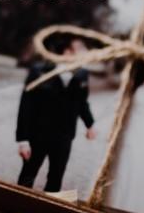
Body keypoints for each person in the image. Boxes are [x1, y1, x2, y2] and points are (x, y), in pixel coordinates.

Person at [15, 39, 97, 192]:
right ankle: (15, 207)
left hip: (64, 137)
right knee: (28, 175)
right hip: (38, 135)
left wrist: (90, 124)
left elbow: (82, 103)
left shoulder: (82, 74)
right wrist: (22, 140)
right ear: (67, 51)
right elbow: (26, 106)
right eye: (80, 48)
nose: (85, 52)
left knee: (56, 178)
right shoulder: (39, 70)